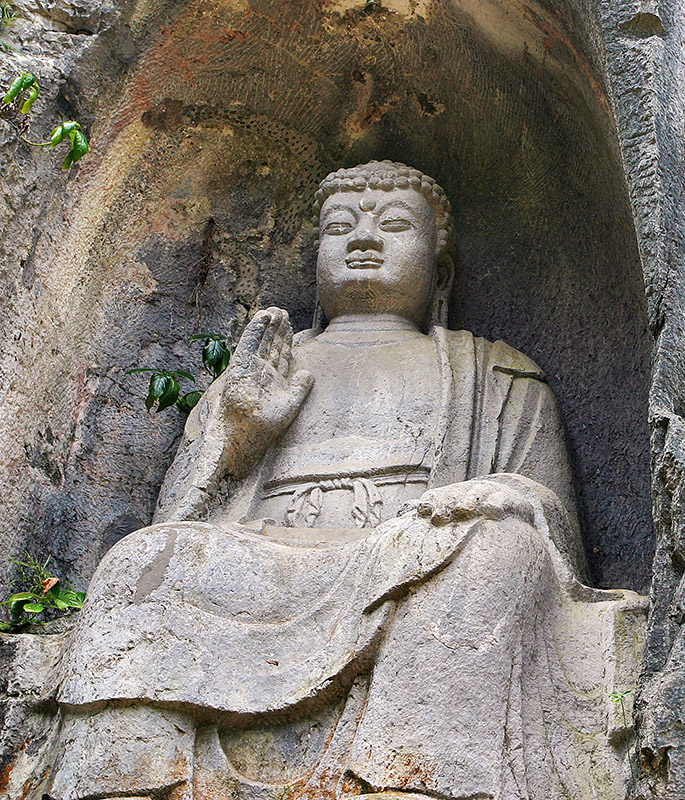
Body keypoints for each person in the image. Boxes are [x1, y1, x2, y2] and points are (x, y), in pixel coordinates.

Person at [46, 161, 640, 800]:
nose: (364, 240)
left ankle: (410, 775)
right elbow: (178, 522)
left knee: (503, 554)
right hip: (268, 561)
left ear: (439, 271)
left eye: (393, 226)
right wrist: (240, 434)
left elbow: (559, 546)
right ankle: (130, 779)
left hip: (416, 560)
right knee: (139, 561)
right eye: (340, 226)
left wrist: (498, 497)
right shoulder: (264, 370)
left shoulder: (497, 375)